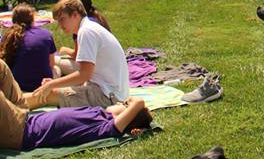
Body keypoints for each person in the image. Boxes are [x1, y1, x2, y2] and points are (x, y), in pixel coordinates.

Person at [0, 58, 152, 151]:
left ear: (126, 115)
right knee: (2, 68)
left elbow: (138, 102)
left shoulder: (104, 127)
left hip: (20, 133)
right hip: (24, 115)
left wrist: (133, 111)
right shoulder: (99, 114)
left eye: (124, 104)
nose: (119, 102)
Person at [32, 0, 129, 108]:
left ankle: (14, 106)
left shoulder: (86, 31)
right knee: (52, 91)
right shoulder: (89, 28)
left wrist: (51, 85)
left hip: (108, 97)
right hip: (113, 93)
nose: (60, 25)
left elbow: (84, 74)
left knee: (45, 95)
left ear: (75, 14)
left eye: (62, 19)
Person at [0, 4, 57, 91]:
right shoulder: (46, 34)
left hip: (17, 86)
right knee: (57, 69)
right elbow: (52, 64)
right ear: (32, 19)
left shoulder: (9, 37)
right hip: (42, 85)